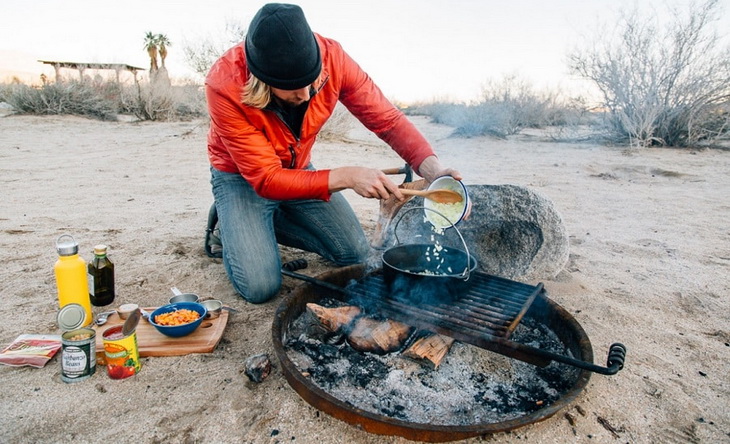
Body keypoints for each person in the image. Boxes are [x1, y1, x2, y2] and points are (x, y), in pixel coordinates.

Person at [205, 3, 462, 303]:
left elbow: (387, 120)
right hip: (243, 179)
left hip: (298, 169)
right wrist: (347, 177)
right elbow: (266, 178)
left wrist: (433, 169)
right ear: (262, 81)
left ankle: (262, 224)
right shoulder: (223, 84)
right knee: (261, 286)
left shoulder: (334, 58)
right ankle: (231, 225)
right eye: (291, 89)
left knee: (353, 252)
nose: (305, 95)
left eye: (310, 82)